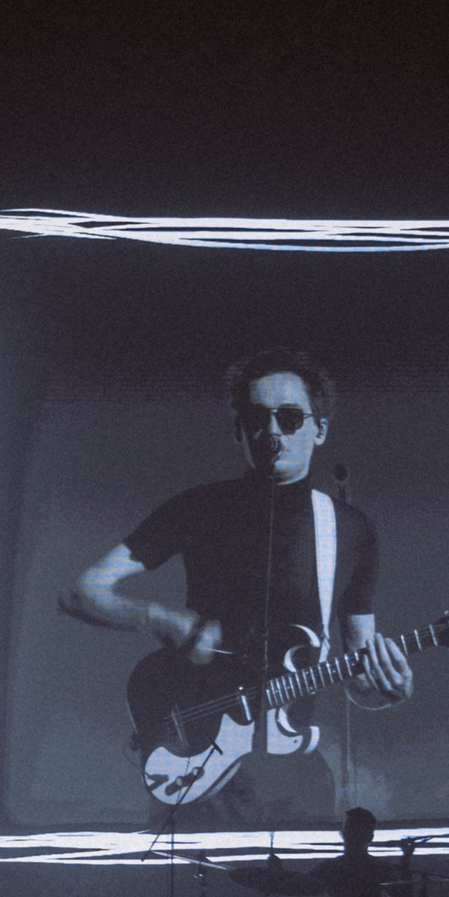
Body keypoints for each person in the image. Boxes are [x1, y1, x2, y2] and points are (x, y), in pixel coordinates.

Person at [62, 347, 415, 824]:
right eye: (256, 418)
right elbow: (83, 590)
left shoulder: (349, 529)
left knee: (307, 896)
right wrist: (157, 616)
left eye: (289, 418)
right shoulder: (199, 508)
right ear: (239, 432)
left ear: (320, 429)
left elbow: (358, 673)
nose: (271, 432)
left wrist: (389, 687)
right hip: (198, 768)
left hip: (293, 779)